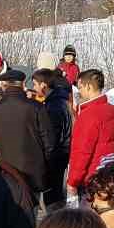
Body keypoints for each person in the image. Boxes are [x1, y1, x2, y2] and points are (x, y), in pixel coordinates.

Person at [0, 65, 55, 204]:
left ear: (4, 86)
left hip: (2, 173)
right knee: (30, 211)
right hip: (32, 174)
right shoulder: (37, 107)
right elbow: (49, 143)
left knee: (4, 211)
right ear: (22, 85)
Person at [67, 69, 114, 201]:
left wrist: (73, 181)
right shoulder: (112, 111)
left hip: (90, 179)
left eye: (80, 87)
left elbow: (82, 152)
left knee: (87, 213)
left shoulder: (89, 115)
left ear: (89, 86)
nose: (79, 92)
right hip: (106, 174)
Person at [39, 70, 75, 212]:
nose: (34, 88)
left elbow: (53, 135)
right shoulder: (61, 101)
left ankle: (55, 220)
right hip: (63, 152)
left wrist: (47, 155)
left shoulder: (54, 106)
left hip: (56, 154)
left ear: (44, 85)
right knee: (58, 191)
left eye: (35, 84)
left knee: (53, 195)